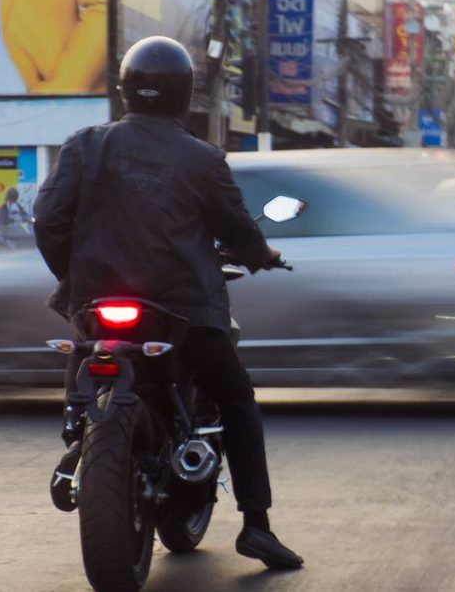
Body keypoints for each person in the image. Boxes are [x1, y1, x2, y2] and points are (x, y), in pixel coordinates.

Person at [33, 36, 303, 570]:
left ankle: (77, 432)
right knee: (235, 397)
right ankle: (256, 525)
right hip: (184, 311)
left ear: (125, 90)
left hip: (97, 303)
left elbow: (47, 221)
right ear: (186, 94)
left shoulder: (84, 145)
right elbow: (237, 231)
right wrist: (263, 253)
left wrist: (76, 274)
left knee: (83, 346)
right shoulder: (203, 159)